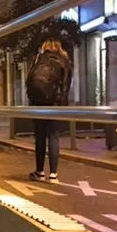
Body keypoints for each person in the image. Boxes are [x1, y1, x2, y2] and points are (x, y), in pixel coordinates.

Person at [25, 38, 71, 184]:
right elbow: (66, 86)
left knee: (40, 137)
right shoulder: (64, 61)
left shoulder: (38, 58)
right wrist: (62, 103)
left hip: (38, 104)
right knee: (53, 136)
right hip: (55, 104)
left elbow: (28, 80)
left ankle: (39, 171)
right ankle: (53, 174)